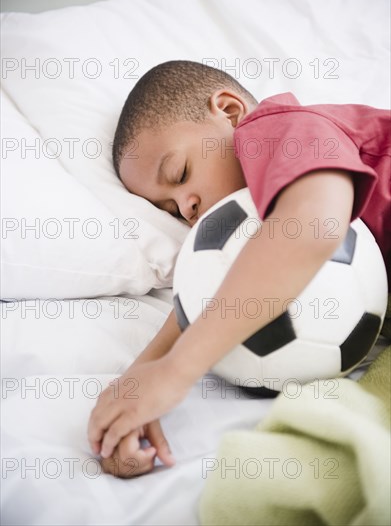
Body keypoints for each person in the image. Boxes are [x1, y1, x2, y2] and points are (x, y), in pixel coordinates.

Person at [88, 60, 390, 478]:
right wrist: (137, 385)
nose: (187, 207)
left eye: (180, 173)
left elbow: (311, 228)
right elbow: (223, 292)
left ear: (230, 112)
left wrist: (178, 370)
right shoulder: (245, 229)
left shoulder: (278, 129)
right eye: (169, 209)